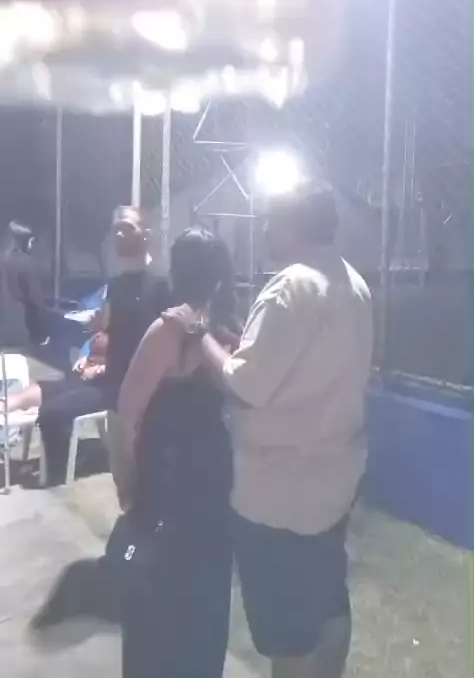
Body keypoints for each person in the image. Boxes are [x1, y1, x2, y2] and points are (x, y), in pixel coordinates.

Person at [165, 186, 373, 678]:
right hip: (333, 486)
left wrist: (197, 331)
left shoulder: (289, 287)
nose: (264, 229)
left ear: (295, 224)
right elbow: (301, 366)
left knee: (289, 641)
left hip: (279, 499)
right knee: (327, 608)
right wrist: (243, 350)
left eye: (272, 219)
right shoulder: (352, 281)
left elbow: (244, 387)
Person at [31, 229, 237, 678]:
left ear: (175, 271)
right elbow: (127, 417)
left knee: (182, 607)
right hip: (181, 489)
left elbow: (126, 417)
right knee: (181, 606)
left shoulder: (206, 334)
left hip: (191, 489)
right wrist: (128, 486)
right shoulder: (183, 332)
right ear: (219, 278)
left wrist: (127, 483)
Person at [37, 206, 171, 486]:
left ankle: (61, 475)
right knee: (47, 399)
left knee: (51, 414)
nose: (120, 234)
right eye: (116, 229)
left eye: (128, 227)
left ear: (145, 235)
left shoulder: (160, 285)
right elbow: (109, 329)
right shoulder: (116, 284)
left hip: (135, 387)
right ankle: (75, 462)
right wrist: (96, 330)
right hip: (110, 380)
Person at [0, 221, 47, 350]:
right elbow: (36, 301)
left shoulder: (3, 260)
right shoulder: (27, 263)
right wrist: (42, 333)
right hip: (19, 335)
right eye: (32, 242)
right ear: (26, 241)